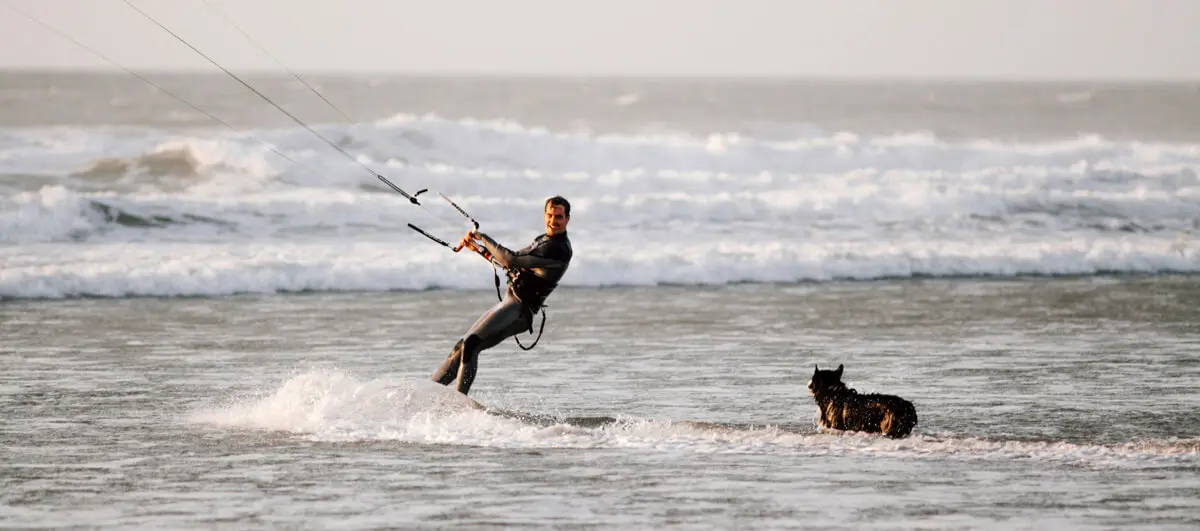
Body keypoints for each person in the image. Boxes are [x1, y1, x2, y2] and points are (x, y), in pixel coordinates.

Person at [430, 196, 573, 395]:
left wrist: (482, 237)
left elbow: (510, 259)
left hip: (519, 310)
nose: (553, 221)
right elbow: (512, 263)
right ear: (544, 215)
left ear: (567, 219)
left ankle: (459, 402)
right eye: (550, 215)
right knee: (462, 347)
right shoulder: (543, 240)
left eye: (558, 217)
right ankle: (429, 392)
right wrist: (478, 249)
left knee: (471, 344)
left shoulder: (558, 248)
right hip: (509, 302)